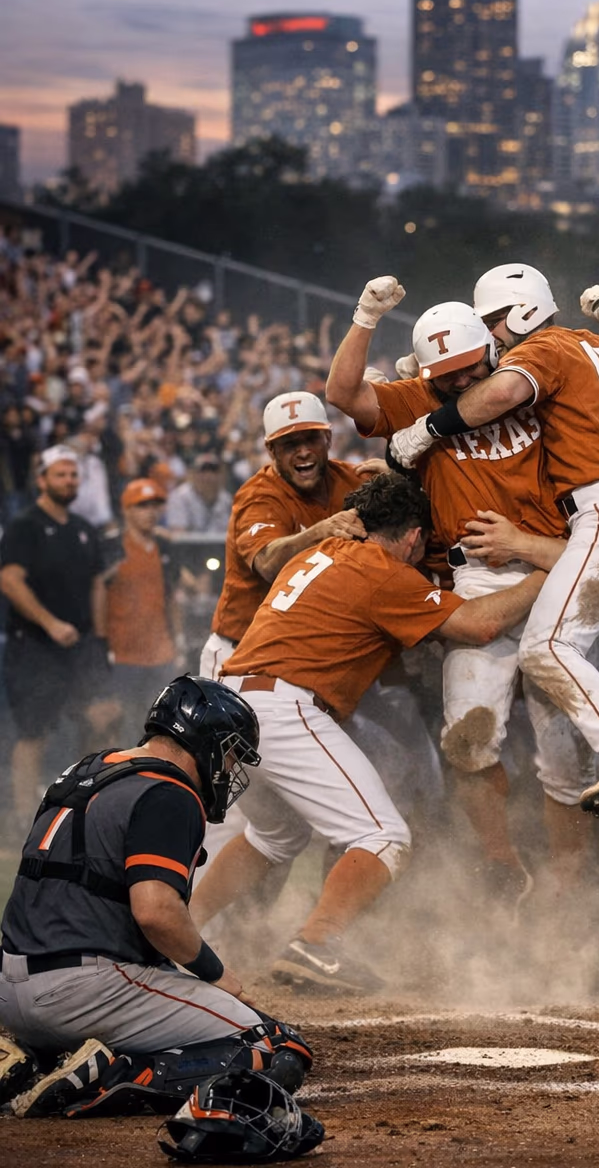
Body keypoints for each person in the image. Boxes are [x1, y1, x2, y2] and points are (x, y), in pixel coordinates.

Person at [387, 265, 599, 856]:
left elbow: (501, 392)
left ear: (519, 313)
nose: (490, 337)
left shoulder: (544, 345)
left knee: (546, 648)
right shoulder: (595, 346)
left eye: (494, 321)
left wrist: (427, 427)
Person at [192, 473, 546, 991]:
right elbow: (479, 625)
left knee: (274, 834)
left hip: (230, 703)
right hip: (284, 707)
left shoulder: (325, 551)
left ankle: (182, 929)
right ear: (411, 536)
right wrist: (541, 574)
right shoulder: (381, 570)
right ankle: (317, 942)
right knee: (382, 837)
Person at [326, 284, 576, 898]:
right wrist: (366, 318)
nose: (461, 383)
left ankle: (573, 881)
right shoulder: (419, 394)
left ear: (493, 350)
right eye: (447, 377)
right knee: (466, 734)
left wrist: (529, 542)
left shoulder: (527, 379)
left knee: (566, 749)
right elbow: (340, 395)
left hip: (551, 562)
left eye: (470, 370)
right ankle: (503, 869)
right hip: (479, 575)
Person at [0, 676, 311, 1119]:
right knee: (276, 1046)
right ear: (202, 740)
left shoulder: (88, 768)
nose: (229, 768)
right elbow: (156, 912)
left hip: (11, 989)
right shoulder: (169, 792)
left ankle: (28, 1063)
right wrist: (214, 973)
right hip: (79, 990)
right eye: (229, 752)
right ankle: (108, 1072)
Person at [199, 391, 372, 680]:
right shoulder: (259, 496)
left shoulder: (355, 480)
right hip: (243, 652)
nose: (303, 451)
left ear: (328, 439)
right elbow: (267, 563)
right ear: (272, 450)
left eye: (311, 439)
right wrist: (321, 531)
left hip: (310, 653)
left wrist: (395, 474)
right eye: (290, 444)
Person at [0, 445, 121, 830]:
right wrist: (50, 623)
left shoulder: (84, 530)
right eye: (60, 475)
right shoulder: (25, 526)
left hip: (82, 646)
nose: (69, 481)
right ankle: (23, 818)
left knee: (98, 720)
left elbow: (97, 586)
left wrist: (100, 641)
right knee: (34, 732)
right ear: (42, 480)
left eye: (73, 475)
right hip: (34, 646)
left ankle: (84, 808)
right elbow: (9, 580)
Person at [106, 477, 179, 737]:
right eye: (142, 505)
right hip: (123, 653)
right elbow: (97, 596)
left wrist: (177, 641)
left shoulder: (164, 547)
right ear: (127, 510)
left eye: (155, 505)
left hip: (161, 652)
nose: (151, 512)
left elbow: (171, 597)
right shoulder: (111, 548)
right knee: (122, 725)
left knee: (161, 725)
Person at [163, 452, 233, 537]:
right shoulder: (179, 497)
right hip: (190, 549)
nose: (208, 476)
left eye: (213, 471)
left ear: (220, 476)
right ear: (193, 475)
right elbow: (178, 538)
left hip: (220, 548)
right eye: (203, 471)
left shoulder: (226, 499)